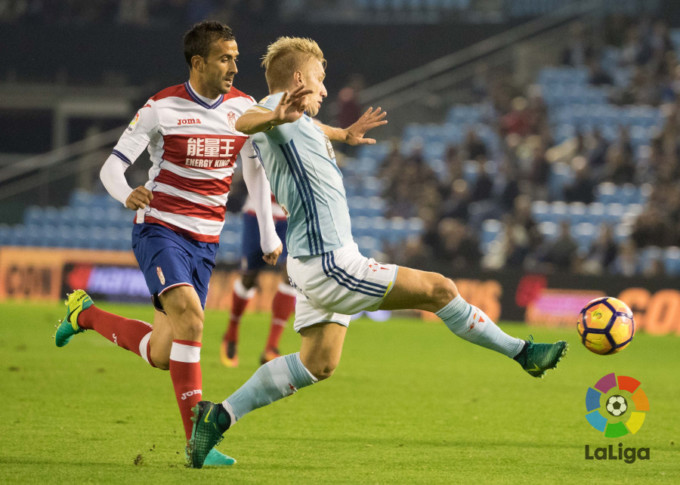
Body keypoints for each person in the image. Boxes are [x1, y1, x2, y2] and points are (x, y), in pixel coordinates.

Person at [187, 37, 568, 468]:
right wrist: (274, 113)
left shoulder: (296, 120)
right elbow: (245, 120)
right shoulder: (274, 112)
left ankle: (216, 418)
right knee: (439, 289)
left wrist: (342, 134)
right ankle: (523, 353)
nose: (325, 90)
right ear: (297, 79)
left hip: (312, 261)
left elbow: (301, 126)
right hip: (331, 262)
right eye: (319, 79)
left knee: (318, 363)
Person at [54, 21, 283, 467]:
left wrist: (269, 232)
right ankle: (199, 445)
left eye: (236, 57)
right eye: (225, 58)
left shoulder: (243, 108)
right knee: (193, 323)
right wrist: (127, 194)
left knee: (163, 353)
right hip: (160, 230)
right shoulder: (161, 108)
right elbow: (112, 168)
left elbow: (254, 169)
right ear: (198, 63)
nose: (235, 66)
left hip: (206, 242)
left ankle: (84, 313)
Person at [220, 194, 295, 367]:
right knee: (249, 277)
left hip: (289, 217)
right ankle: (231, 333)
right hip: (258, 212)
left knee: (291, 275)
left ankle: (272, 347)